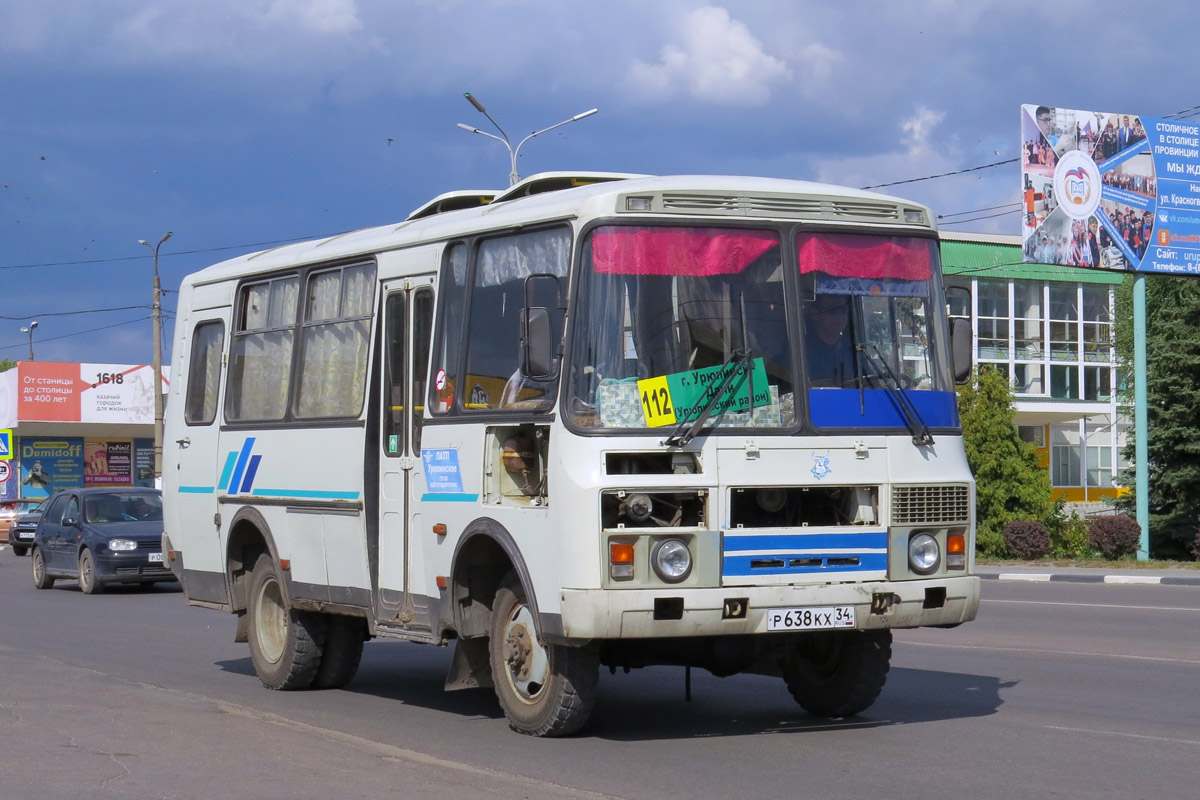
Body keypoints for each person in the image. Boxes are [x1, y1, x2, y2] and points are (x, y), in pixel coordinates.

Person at [803, 293, 858, 387]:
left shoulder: (853, 348)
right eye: (833, 311)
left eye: (843, 310)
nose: (840, 316)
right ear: (814, 314)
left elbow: (871, 383)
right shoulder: (801, 349)